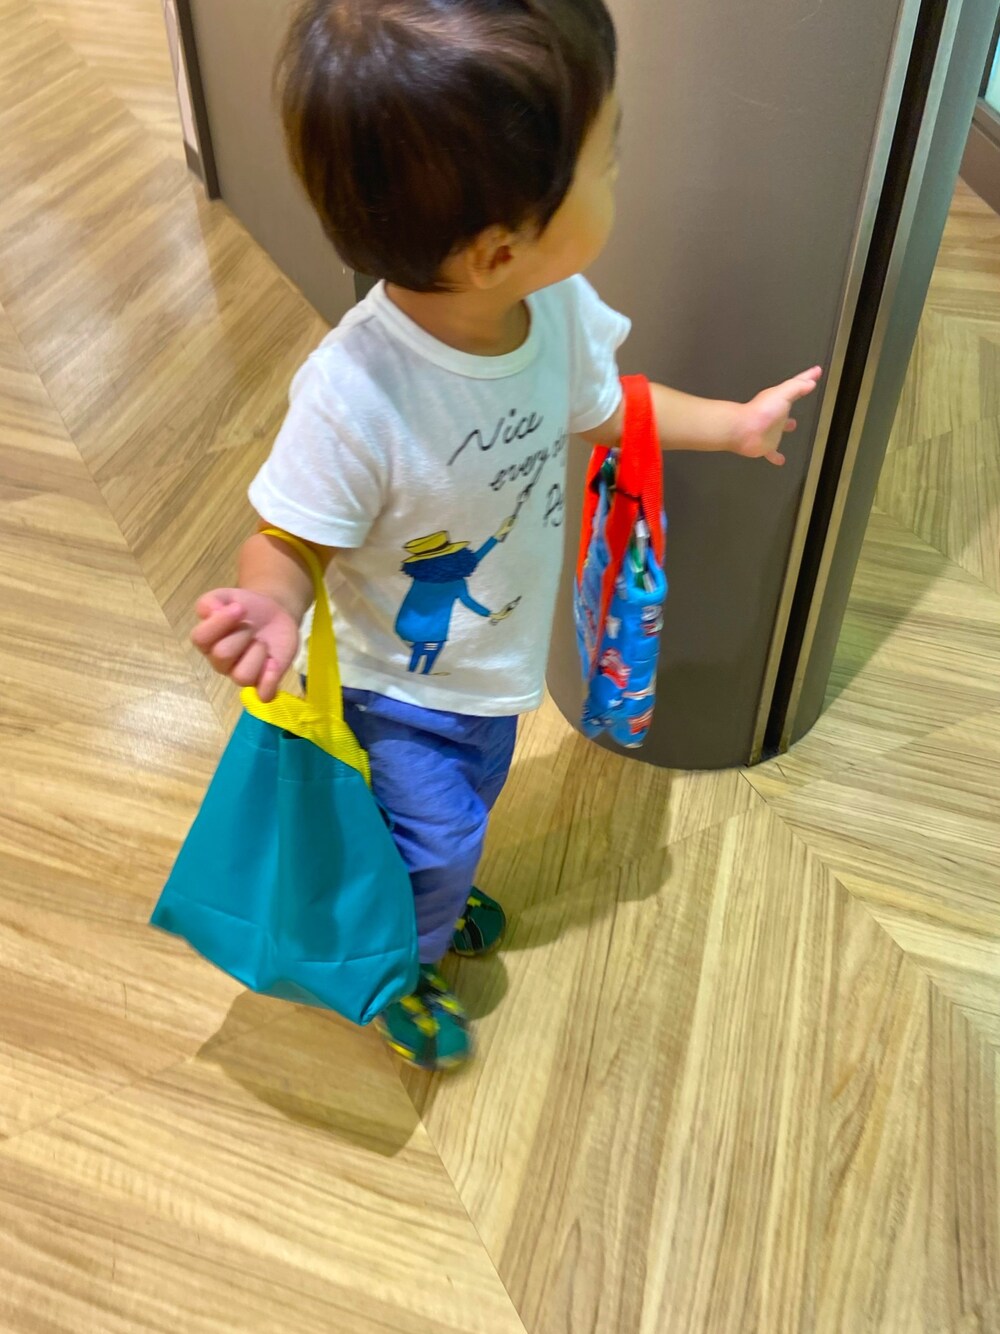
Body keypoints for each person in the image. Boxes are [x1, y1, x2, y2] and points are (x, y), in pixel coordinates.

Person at [191, 0, 822, 1071]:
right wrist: (270, 601)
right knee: (438, 836)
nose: (619, 168)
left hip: (491, 669)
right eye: (603, 159)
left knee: (462, 813)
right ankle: (396, 966)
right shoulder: (357, 395)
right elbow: (289, 536)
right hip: (398, 692)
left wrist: (732, 424)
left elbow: (607, 409)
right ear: (495, 250)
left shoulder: (553, 307)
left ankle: (426, 885)